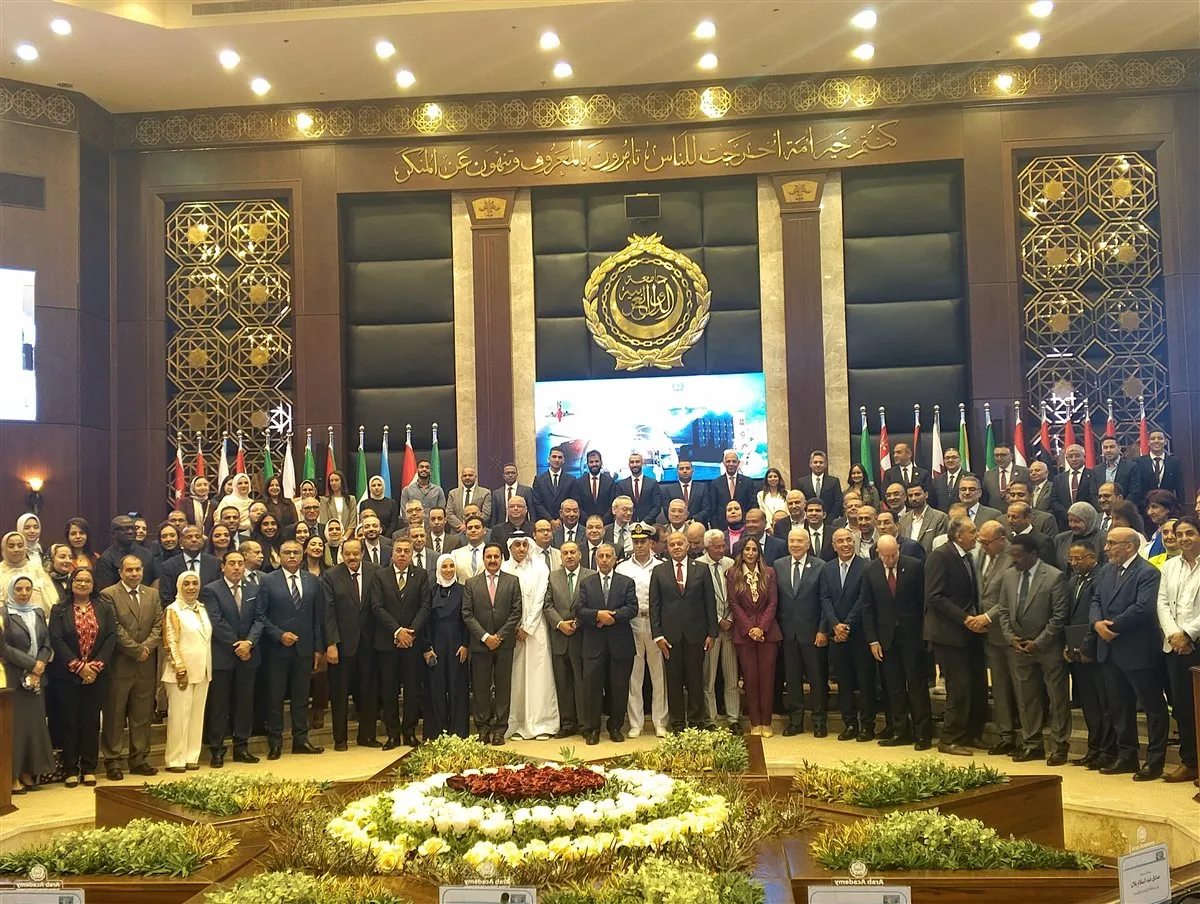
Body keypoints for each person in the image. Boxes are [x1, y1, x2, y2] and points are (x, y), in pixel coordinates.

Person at [1091, 527, 1168, 780]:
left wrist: (1112, 627)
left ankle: (1154, 761)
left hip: (1137, 649)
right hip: (1109, 649)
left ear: (1130, 546)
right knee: (1119, 707)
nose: (1106, 548)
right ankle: (1127, 757)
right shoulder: (1106, 570)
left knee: (1153, 708)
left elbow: (1143, 607)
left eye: (1112, 543)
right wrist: (1097, 624)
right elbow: (1096, 600)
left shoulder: (1147, 572)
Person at [999, 534, 1070, 765]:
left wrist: (1038, 642)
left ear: (1033, 554)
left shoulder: (1054, 576)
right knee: (1026, 698)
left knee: (1057, 699)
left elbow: (1059, 616)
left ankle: (1059, 746)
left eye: (1018, 556)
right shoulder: (1009, 575)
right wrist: (1011, 638)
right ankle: (1032, 744)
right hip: (1019, 647)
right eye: (1012, 555)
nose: (1014, 560)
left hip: (1047, 648)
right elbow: (1003, 611)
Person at [859, 535, 931, 749]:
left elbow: (923, 602)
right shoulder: (870, 570)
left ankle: (923, 733)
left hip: (912, 637)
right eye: (886, 556)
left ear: (899, 549)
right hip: (885, 638)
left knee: (916, 686)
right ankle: (900, 731)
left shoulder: (915, 566)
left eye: (894, 554)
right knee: (894, 686)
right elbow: (867, 608)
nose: (891, 560)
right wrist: (872, 640)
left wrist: (924, 633)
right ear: (878, 553)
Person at [924, 518, 989, 756]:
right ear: (958, 535)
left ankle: (971, 733)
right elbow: (935, 596)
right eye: (972, 531)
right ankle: (949, 738)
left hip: (970, 633)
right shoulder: (941, 556)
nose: (977, 535)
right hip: (948, 633)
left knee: (976, 685)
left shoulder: (968, 557)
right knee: (958, 686)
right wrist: (965, 618)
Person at [49, 567, 116, 787]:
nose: (83, 584)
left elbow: (111, 638)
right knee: (69, 721)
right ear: (71, 583)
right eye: (78, 580)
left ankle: (88, 768)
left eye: (87, 581)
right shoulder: (59, 609)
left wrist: (94, 667)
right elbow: (56, 640)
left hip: (96, 676)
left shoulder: (104, 608)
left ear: (93, 585)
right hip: (67, 676)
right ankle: (70, 768)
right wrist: (79, 667)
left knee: (90, 721)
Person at [259, 538, 325, 759]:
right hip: (276, 649)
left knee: (301, 697)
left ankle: (301, 740)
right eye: (287, 552)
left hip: (304, 649)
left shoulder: (311, 580)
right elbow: (260, 615)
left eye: (296, 552)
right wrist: (279, 635)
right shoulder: (268, 580)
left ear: (302, 554)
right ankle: (275, 742)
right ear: (279, 555)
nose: (292, 556)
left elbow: (317, 617)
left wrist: (318, 648)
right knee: (275, 697)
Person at [98, 555, 161, 781]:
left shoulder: (152, 594)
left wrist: (147, 648)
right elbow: (113, 627)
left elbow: (158, 624)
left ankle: (139, 759)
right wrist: (136, 650)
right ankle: (113, 760)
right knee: (115, 714)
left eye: (138, 569)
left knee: (142, 714)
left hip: (146, 664)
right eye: (129, 570)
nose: (134, 574)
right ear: (120, 572)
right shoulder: (108, 594)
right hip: (120, 664)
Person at [650, 532, 717, 732]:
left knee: (696, 680)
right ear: (667, 548)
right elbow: (655, 605)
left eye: (680, 543)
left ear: (688, 546)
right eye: (672, 544)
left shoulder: (701, 569)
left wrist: (712, 633)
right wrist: (657, 635)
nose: (676, 547)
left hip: (696, 634)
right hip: (669, 637)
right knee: (674, 681)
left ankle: (696, 723)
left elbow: (710, 602)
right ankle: (677, 723)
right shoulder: (659, 571)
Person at [367, 536, 429, 750]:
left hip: (412, 642)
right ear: (392, 553)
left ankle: (409, 732)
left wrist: (410, 632)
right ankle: (393, 735)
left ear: (412, 554)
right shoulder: (380, 576)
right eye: (398, 550)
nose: (402, 554)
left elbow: (425, 606)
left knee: (412, 690)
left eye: (406, 551)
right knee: (389, 690)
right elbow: (376, 607)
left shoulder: (421, 575)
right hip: (387, 642)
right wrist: (397, 631)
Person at [202, 549, 263, 767]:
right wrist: (237, 645)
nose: (237, 567)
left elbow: (259, 619)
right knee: (219, 705)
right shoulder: (211, 590)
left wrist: (249, 643)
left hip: (249, 655)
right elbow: (216, 621)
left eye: (240, 563)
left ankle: (241, 747)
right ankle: (217, 750)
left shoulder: (254, 588)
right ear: (223, 567)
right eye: (232, 563)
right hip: (223, 655)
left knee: (244, 703)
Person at [575, 542, 637, 745]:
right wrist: (597, 615)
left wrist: (611, 616)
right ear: (595, 559)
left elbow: (632, 608)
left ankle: (615, 727)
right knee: (592, 688)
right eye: (600, 556)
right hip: (593, 645)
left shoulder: (626, 582)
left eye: (608, 556)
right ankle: (592, 729)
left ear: (615, 559)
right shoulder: (586, 583)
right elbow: (580, 610)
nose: (604, 560)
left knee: (619, 688)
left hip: (620, 645)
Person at [320, 538, 379, 750]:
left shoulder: (375, 572)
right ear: (342, 554)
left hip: (370, 644)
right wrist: (331, 644)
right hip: (342, 645)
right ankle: (340, 739)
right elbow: (327, 612)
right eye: (347, 553)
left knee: (369, 692)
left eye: (355, 553)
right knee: (340, 693)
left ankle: (367, 736)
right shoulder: (331, 576)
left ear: (362, 553)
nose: (352, 557)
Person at [1063, 542, 1117, 769]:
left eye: (1079, 558)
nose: (1074, 563)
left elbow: (1096, 614)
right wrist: (1068, 645)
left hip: (1095, 650)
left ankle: (1107, 750)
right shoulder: (1073, 580)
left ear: (1092, 557)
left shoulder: (1100, 577)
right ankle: (1093, 748)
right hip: (1076, 649)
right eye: (1071, 559)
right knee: (1088, 704)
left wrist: (1086, 647)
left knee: (1104, 704)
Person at [462, 542, 522, 745]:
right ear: (484, 559)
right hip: (481, 645)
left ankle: (499, 730)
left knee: (503, 688)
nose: (493, 560)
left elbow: (516, 612)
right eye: (489, 557)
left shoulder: (512, 581)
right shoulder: (471, 583)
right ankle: (483, 728)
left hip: (504, 644)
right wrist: (485, 637)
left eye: (496, 556)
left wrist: (500, 636)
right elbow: (467, 614)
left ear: (502, 558)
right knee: (481, 689)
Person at [1156, 514, 1200, 783]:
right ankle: (1191, 762)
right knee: (1183, 707)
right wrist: (1174, 634)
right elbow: (1162, 602)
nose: (1184, 538)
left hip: (1197, 643)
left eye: (1190, 533)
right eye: (1179, 534)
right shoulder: (1170, 566)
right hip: (1175, 646)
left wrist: (1188, 634)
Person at [820, 529, 875, 741]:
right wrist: (835, 625)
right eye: (840, 541)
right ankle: (850, 723)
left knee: (865, 681)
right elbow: (824, 598)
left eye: (849, 540)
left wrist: (847, 625)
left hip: (859, 634)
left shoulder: (866, 566)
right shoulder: (827, 568)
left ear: (855, 542)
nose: (845, 544)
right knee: (843, 682)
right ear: (834, 546)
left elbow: (864, 599)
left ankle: (867, 725)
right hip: (837, 635)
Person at [502, 533, 558, 740]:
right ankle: (517, 724)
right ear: (510, 547)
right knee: (516, 678)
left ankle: (542, 724)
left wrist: (528, 626)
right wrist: (514, 626)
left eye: (524, 545)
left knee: (538, 676)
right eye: (517, 545)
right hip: (512, 631)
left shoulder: (540, 568)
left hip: (536, 630)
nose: (521, 549)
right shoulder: (504, 568)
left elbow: (540, 599)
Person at [4, 575, 55, 794]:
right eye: (19, 589)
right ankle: (12, 776)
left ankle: (28, 772)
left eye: (27, 589)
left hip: (37, 678)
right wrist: (31, 664)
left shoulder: (37, 612)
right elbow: (3, 647)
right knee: (15, 729)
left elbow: (46, 643)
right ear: (10, 591)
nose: (24, 593)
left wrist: (40, 664)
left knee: (34, 728)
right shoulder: (4, 614)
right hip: (13, 679)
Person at [774, 528, 827, 736]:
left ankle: (819, 722)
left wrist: (822, 629)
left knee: (817, 679)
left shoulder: (820, 566)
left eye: (799, 541)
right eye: (792, 541)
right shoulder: (779, 565)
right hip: (788, 633)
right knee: (793, 680)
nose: (795, 544)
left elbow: (824, 600)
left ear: (808, 544)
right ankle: (796, 721)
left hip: (813, 632)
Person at [725, 536, 780, 737]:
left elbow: (773, 603)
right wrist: (750, 629)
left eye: (754, 549)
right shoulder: (733, 573)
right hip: (744, 634)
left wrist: (761, 628)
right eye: (747, 549)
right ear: (741, 552)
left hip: (768, 633)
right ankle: (755, 722)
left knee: (767, 678)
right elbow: (734, 603)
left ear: (759, 553)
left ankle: (767, 722)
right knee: (750, 678)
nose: (750, 553)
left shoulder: (769, 572)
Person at [618, 524, 669, 738]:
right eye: (636, 541)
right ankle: (635, 723)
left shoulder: (661, 566)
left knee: (658, 675)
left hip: (655, 624)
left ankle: (660, 722)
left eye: (643, 541)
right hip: (632, 623)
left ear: (651, 543)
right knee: (634, 675)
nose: (639, 545)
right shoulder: (622, 568)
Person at [160, 572, 212, 772]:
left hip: (203, 670)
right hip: (181, 673)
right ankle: (175, 759)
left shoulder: (202, 608)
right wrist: (180, 669)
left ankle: (191, 756)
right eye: (186, 584)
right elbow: (170, 641)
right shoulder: (173, 610)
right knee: (179, 718)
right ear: (179, 586)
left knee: (196, 716)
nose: (191, 587)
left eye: (195, 583)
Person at [975, 521, 1017, 756]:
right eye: (980, 541)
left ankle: (1026, 736)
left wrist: (987, 617)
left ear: (1001, 539)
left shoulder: (1014, 556)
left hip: (1007, 631)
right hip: (985, 632)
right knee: (999, 686)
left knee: (1018, 686)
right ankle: (1005, 734)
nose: (983, 546)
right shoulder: (982, 554)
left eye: (987, 542)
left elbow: (1010, 597)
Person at [542, 541, 592, 738]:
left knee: (583, 682)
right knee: (562, 683)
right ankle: (567, 723)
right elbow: (547, 605)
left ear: (580, 555)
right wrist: (560, 624)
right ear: (561, 557)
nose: (569, 556)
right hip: (560, 637)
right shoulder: (552, 577)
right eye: (565, 553)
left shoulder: (591, 575)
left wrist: (578, 622)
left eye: (573, 552)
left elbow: (593, 604)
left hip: (583, 637)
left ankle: (585, 724)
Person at [423, 554, 470, 740]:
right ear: (438, 569)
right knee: (436, 689)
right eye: (444, 566)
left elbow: (468, 619)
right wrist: (427, 647)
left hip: (458, 646)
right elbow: (425, 621)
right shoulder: (430, 591)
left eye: (451, 566)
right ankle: (437, 734)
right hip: (436, 647)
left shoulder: (463, 590)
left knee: (458, 689)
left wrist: (465, 644)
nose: (448, 570)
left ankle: (458, 733)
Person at [696, 530, 738, 733]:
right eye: (717, 547)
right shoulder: (697, 566)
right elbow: (697, 601)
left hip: (730, 628)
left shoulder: (731, 564)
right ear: (707, 547)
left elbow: (737, 595)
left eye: (723, 546)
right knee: (709, 678)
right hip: (709, 630)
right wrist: (717, 620)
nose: (722, 550)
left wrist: (729, 619)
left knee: (731, 677)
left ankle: (733, 718)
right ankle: (710, 719)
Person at [159, 525, 221, 605]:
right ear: (181, 542)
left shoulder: (214, 563)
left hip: (209, 611)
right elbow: (167, 598)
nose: (194, 540)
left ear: (203, 541)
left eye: (198, 537)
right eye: (189, 537)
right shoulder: (168, 566)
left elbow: (218, 594)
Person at [0, 531, 57, 615]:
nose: (16, 549)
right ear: (4, 548)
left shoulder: (35, 568)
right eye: (11, 546)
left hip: (37, 617)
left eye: (20, 546)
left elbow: (50, 597)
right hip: (6, 619)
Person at [711, 450, 756, 530]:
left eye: (734, 461)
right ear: (724, 463)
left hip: (744, 527)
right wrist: (716, 528)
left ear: (738, 463)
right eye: (728, 461)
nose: (731, 464)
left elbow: (753, 505)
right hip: (722, 527)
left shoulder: (748, 482)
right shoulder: (716, 483)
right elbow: (713, 508)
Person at [1054, 501, 1104, 572]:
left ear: (1088, 521)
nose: (1072, 525)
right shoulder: (1060, 539)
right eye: (1070, 521)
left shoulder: (1102, 539)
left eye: (1076, 521)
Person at [660, 460, 713, 527]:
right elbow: (667, 510)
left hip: (698, 527)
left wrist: (692, 521)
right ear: (677, 472)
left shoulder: (703, 487)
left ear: (692, 471)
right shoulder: (668, 490)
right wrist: (680, 523)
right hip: (677, 527)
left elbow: (707, 508)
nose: (684, 471)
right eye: (681, 469)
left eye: (687, 468)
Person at [1136, 430, 1183, 503]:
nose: (1156, 441)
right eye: (1153, 439)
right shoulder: (1138, 462)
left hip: (1168, 505)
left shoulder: (1174, 462)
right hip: (1146, 505)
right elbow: (1136, 488)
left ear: (1165, 441)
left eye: (1160, 438)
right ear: (1148, 442)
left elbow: (1180, 487)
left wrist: (1181, 505)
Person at [900, 484, 949, 554]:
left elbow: (941, 546)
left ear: (926, 495)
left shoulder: (940, 517)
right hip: (907, 559)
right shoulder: (903, 518)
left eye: (917, 494)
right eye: (910, 495)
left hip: (930, 559)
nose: (913, 498)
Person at [571, 450, 617, 524]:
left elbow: (613, 504)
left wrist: (602, 521)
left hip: (606, 524)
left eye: (596, 461)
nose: (594, 464)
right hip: (585, 524)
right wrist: (588, 521)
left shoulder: (610, 482)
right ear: (587, 464)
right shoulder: (578, 483)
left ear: (601, 462)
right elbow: (577, 505)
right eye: (591, 462)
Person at [797, 450, 842, 521]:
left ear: (825, 465)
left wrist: (829, 520)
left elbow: (838, 503)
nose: (818, 465)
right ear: (810, 464)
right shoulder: (802, 482)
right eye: (815, 462)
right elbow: (800, 502)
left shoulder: (834, 482)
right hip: (808, 521)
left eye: (821, 462)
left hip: (829, 521)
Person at [1098, 438, 1142, 509]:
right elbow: (1093, 494)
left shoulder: (1131, 467)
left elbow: (1134, 492)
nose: (1108, 450)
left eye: (1112, 447)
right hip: (1102, 511)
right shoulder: (1097, 469)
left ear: (1119, 448)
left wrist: (1120, 509)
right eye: (1105, 447)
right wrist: (1102, 509)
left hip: (1125, 511)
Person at [982, 444, 1030, 509]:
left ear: (1011, 456)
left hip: (1019, 511)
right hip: (995, 512)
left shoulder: (1024, 472)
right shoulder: (988, 474)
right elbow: (985, 496)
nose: (999, 458)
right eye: (997, 455)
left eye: (1003, 455)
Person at [532, 448, 573, 523]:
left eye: (560, 457)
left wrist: (560, 519)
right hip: (545, 522)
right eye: (554, 457)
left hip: (565, 521)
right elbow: (537, 503)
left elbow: (572, 501)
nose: (557, 460)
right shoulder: (539, 479)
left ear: (563, 460)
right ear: (548, 459)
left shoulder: (571, 479)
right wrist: (551, 520)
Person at [1053, 444, 1098, 512]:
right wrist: (1067, 514)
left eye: (1077, 456)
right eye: (1070, 456)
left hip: (1088, 515)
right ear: (1066, 459)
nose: (1073, 459)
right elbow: (1054, 500)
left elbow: (1095, 498)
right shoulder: (1058, 479)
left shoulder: (1093, 475)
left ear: (1084, 457)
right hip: (1065, 516)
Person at [447, 466, 492, 532]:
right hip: (457, 532)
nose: (467, 477)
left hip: (477, 531)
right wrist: (461, 526)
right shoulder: (453, 493)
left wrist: (471, 525)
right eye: (465, 476)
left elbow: (486, 514)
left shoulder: (485, 493)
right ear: (461, 478)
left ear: (475, 477)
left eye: (470, 475)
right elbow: (449, 513)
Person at [489, 462, 534, 527]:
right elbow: (494, 515)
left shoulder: (527, 490)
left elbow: (532, 512)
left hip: (522, 527)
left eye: (513, 473)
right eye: (507, 473)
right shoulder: (496, 493)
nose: (510, 475)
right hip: (501, 527)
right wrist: (492, 528)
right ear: (503, 476)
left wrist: (533, 526)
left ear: (517, 474)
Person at [1029, 460, 1067, 529]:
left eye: (1037, 470)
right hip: (1033, 525)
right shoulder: (1029, 489)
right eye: (1031, 471)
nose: (1033, 473)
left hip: (1049, 525)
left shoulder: (1054, 487)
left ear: (1046, 473)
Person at [318, 470, 358, 534]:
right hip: (331, 535)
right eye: (331, 481)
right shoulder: (324, 500)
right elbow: (324, 522)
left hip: (348, 536)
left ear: (342, 482)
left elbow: (352, 523)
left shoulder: (351, 499)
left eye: (336, 480)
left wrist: (345, 537)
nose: (333, 483)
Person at [451, 514, 489, 580]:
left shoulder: (493, 553)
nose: (473, 530)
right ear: (465, 532)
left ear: (484, 530)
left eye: (477, 527)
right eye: (470, 528)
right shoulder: (455, 554)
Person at [932, 448, 969, 512]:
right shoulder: (937, 480)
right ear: (944, 460)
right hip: (942, 516)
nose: (950, 460)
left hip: (963, 515)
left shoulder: (969, 477)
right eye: (947, 458)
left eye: (954, 457)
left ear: (960, 460)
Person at [604, 496, 636, 560]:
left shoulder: (636, 529)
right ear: (614, 510)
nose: (629, 513)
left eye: (631, 510)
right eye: (625, 509)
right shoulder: (605, 531)